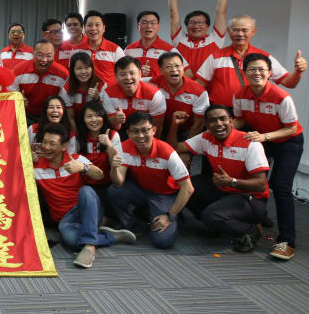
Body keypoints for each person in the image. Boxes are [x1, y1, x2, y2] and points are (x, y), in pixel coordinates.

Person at [167, 105, 269, 253]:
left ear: (232, 121)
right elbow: (174, 147)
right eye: (213, 121)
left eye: (223, 119)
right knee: (186, 188)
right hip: (225, 190)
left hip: (251, 198)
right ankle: (219, 223)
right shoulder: (206, 138)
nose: (219, 124)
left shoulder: (250, 143)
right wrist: (174, 125)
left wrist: (232, 181)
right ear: (207, 125)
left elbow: (261, 185)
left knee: (211, 215)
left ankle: (250, 230)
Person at [232, 53, 304, 260]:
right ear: (244, 73)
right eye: (252, 69)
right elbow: (239, 120)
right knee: (250, 181)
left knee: (280, 187)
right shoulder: (239, 95)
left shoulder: (282, 97)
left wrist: (265, 137)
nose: (257, 73)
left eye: (262, 69)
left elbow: (291, 129)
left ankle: (286, 241)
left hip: (287, 142)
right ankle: (253, 223)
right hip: (261, 140)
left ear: (270, 73)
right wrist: (225, 126)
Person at [33, 124, 136, 269]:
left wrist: (83, 167)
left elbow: (99, 175)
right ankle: (109, 236)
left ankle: (89, 247)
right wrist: (26, 156)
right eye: (44, 142)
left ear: (64, 146)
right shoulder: (34, 166)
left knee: (87, 191)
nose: (46, 147)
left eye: (52, 143)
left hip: (87, 209)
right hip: (66, 220)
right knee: (72, 241)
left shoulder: (75, 159)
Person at [108, 112, 194, 249]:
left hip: (165, 195)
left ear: (154, 130)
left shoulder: (167, 152)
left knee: (163, 242)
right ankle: (131, 225)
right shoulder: (123, 147)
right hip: (141, 190)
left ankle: (177, 217)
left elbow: (188, 188)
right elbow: (119, 182)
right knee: (115, 191)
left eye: (145, 130)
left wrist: (170, 216)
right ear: (129, 133)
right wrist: (114, 167)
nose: (140, 136)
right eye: (135, 131)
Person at [196, 15, 305, 108]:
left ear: (253, 32)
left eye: (244, 30)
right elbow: (199, 85)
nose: (240, 34)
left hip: (252, 113)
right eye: (235, 30)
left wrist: (298, 71)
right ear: (229, 31)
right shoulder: (216, 56)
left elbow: (289, 83)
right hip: (222, 113)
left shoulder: (263, 57)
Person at [168, 0, 229, 75]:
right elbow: (173, 14)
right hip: (183, 87)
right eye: (192, 23)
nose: (196, 26)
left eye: (200, 23)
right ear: (186, 26)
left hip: (209, 88)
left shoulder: (215, 39)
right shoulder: (180, 39)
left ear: (207, 25)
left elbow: (221, 12)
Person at [74, 102, 123, 219]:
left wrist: (109, 145)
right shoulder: (77, 136)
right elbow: (73, 162)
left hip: (108, 185)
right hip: (85, 186)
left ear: (103, 118)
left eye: (97, 116)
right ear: (83, 119)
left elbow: (115, 165)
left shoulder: (113, 135)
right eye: (89, 116)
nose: (94, 120)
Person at [147, 52, 208, 139]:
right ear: (161, 71)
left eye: (177, 66)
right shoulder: (151, 84)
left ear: (183, 68)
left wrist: (184, 146)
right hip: (156, 130)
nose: (174, 69)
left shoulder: (199, 92)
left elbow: (198, 125)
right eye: (168, 67)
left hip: (185, 133)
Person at [101, 56, 166, 136]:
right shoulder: (108, 93)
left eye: (132, 73)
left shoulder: (154, 95)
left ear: (139, 74)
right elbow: (114, 126)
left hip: (145, 134)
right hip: (121, 133)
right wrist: (116, 119)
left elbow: (157, 129)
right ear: (116, 77)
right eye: (122, 74)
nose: (128, 78)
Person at [10, 39, 69, 125]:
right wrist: (17, 99)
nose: (44, 60)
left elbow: (64, 103)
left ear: (54, 55)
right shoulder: (18, 71)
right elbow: (10, 97)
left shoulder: (63, 74)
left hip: (51, 116)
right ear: (33, 55)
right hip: (25, 115)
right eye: (40, 55)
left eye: (49, 56)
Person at [124, 10, 191, 79]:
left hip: (159, 89)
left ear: (158, 27)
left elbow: (188, 73)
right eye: (144, 23)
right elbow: (120, 72)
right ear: (138, 27)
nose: (149, 26)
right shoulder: (128, 50)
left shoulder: (169, 50)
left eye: (152, 23)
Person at [71, 10, 124, 85]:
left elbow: (123, 74)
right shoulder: (76, 50)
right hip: (83, 94)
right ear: (84, 28)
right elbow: (72, 74)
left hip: (107, 95)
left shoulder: (116, 50)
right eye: (90, 25)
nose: (93, 28)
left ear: (104, 28)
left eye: (97, 25)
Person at [60, 52, 103, 130]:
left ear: (92, 69)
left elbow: (105, 114)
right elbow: (71, 118)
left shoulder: (101, 85)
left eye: (87, 68)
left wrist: (97, 98)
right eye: (79, 68)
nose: (83, 72)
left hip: (97, 126)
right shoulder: (66, 89)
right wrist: (76, 138)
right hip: (75, 126)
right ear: (72, 70)